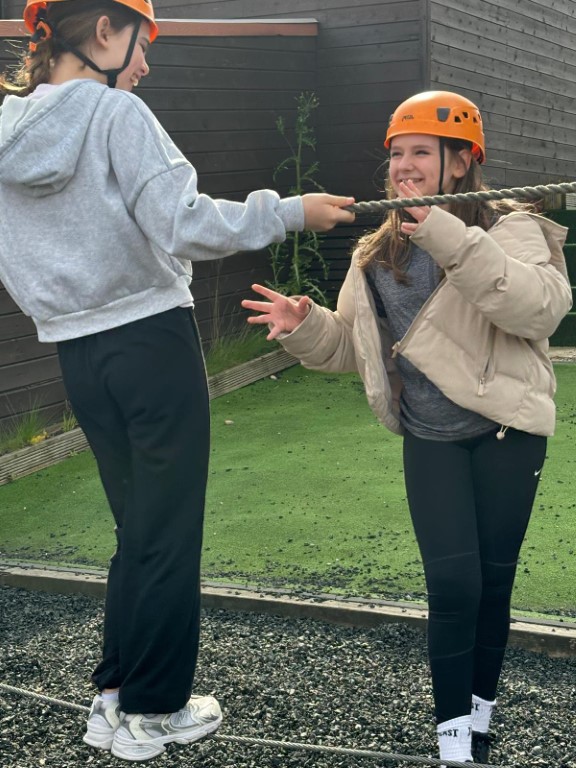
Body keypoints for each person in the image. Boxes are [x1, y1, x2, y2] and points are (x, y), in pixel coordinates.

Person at [0, 0, 355, 761]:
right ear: (104, 30)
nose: (145, 63)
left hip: (76, 354)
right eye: (140, 42)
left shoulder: (4, 130)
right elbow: (183, 222)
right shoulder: (115, 115)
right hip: (151, 340)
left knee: (138, 527)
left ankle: (114, 697)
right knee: (166, 529)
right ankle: (156, 710)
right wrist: (290, 212)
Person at [241, 91, 572, 766]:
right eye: (396, 154)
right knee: (453, 588)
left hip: (507, 433)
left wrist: (444, 234)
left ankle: (481, 719)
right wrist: (305, 326)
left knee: (493, 584)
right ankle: (454, 744)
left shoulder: (512, 228)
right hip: (430, 438)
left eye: (421, 152)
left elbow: (538, 312)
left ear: (461, 162)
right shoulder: (375, 251)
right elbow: (352, 346)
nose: (403, 167)